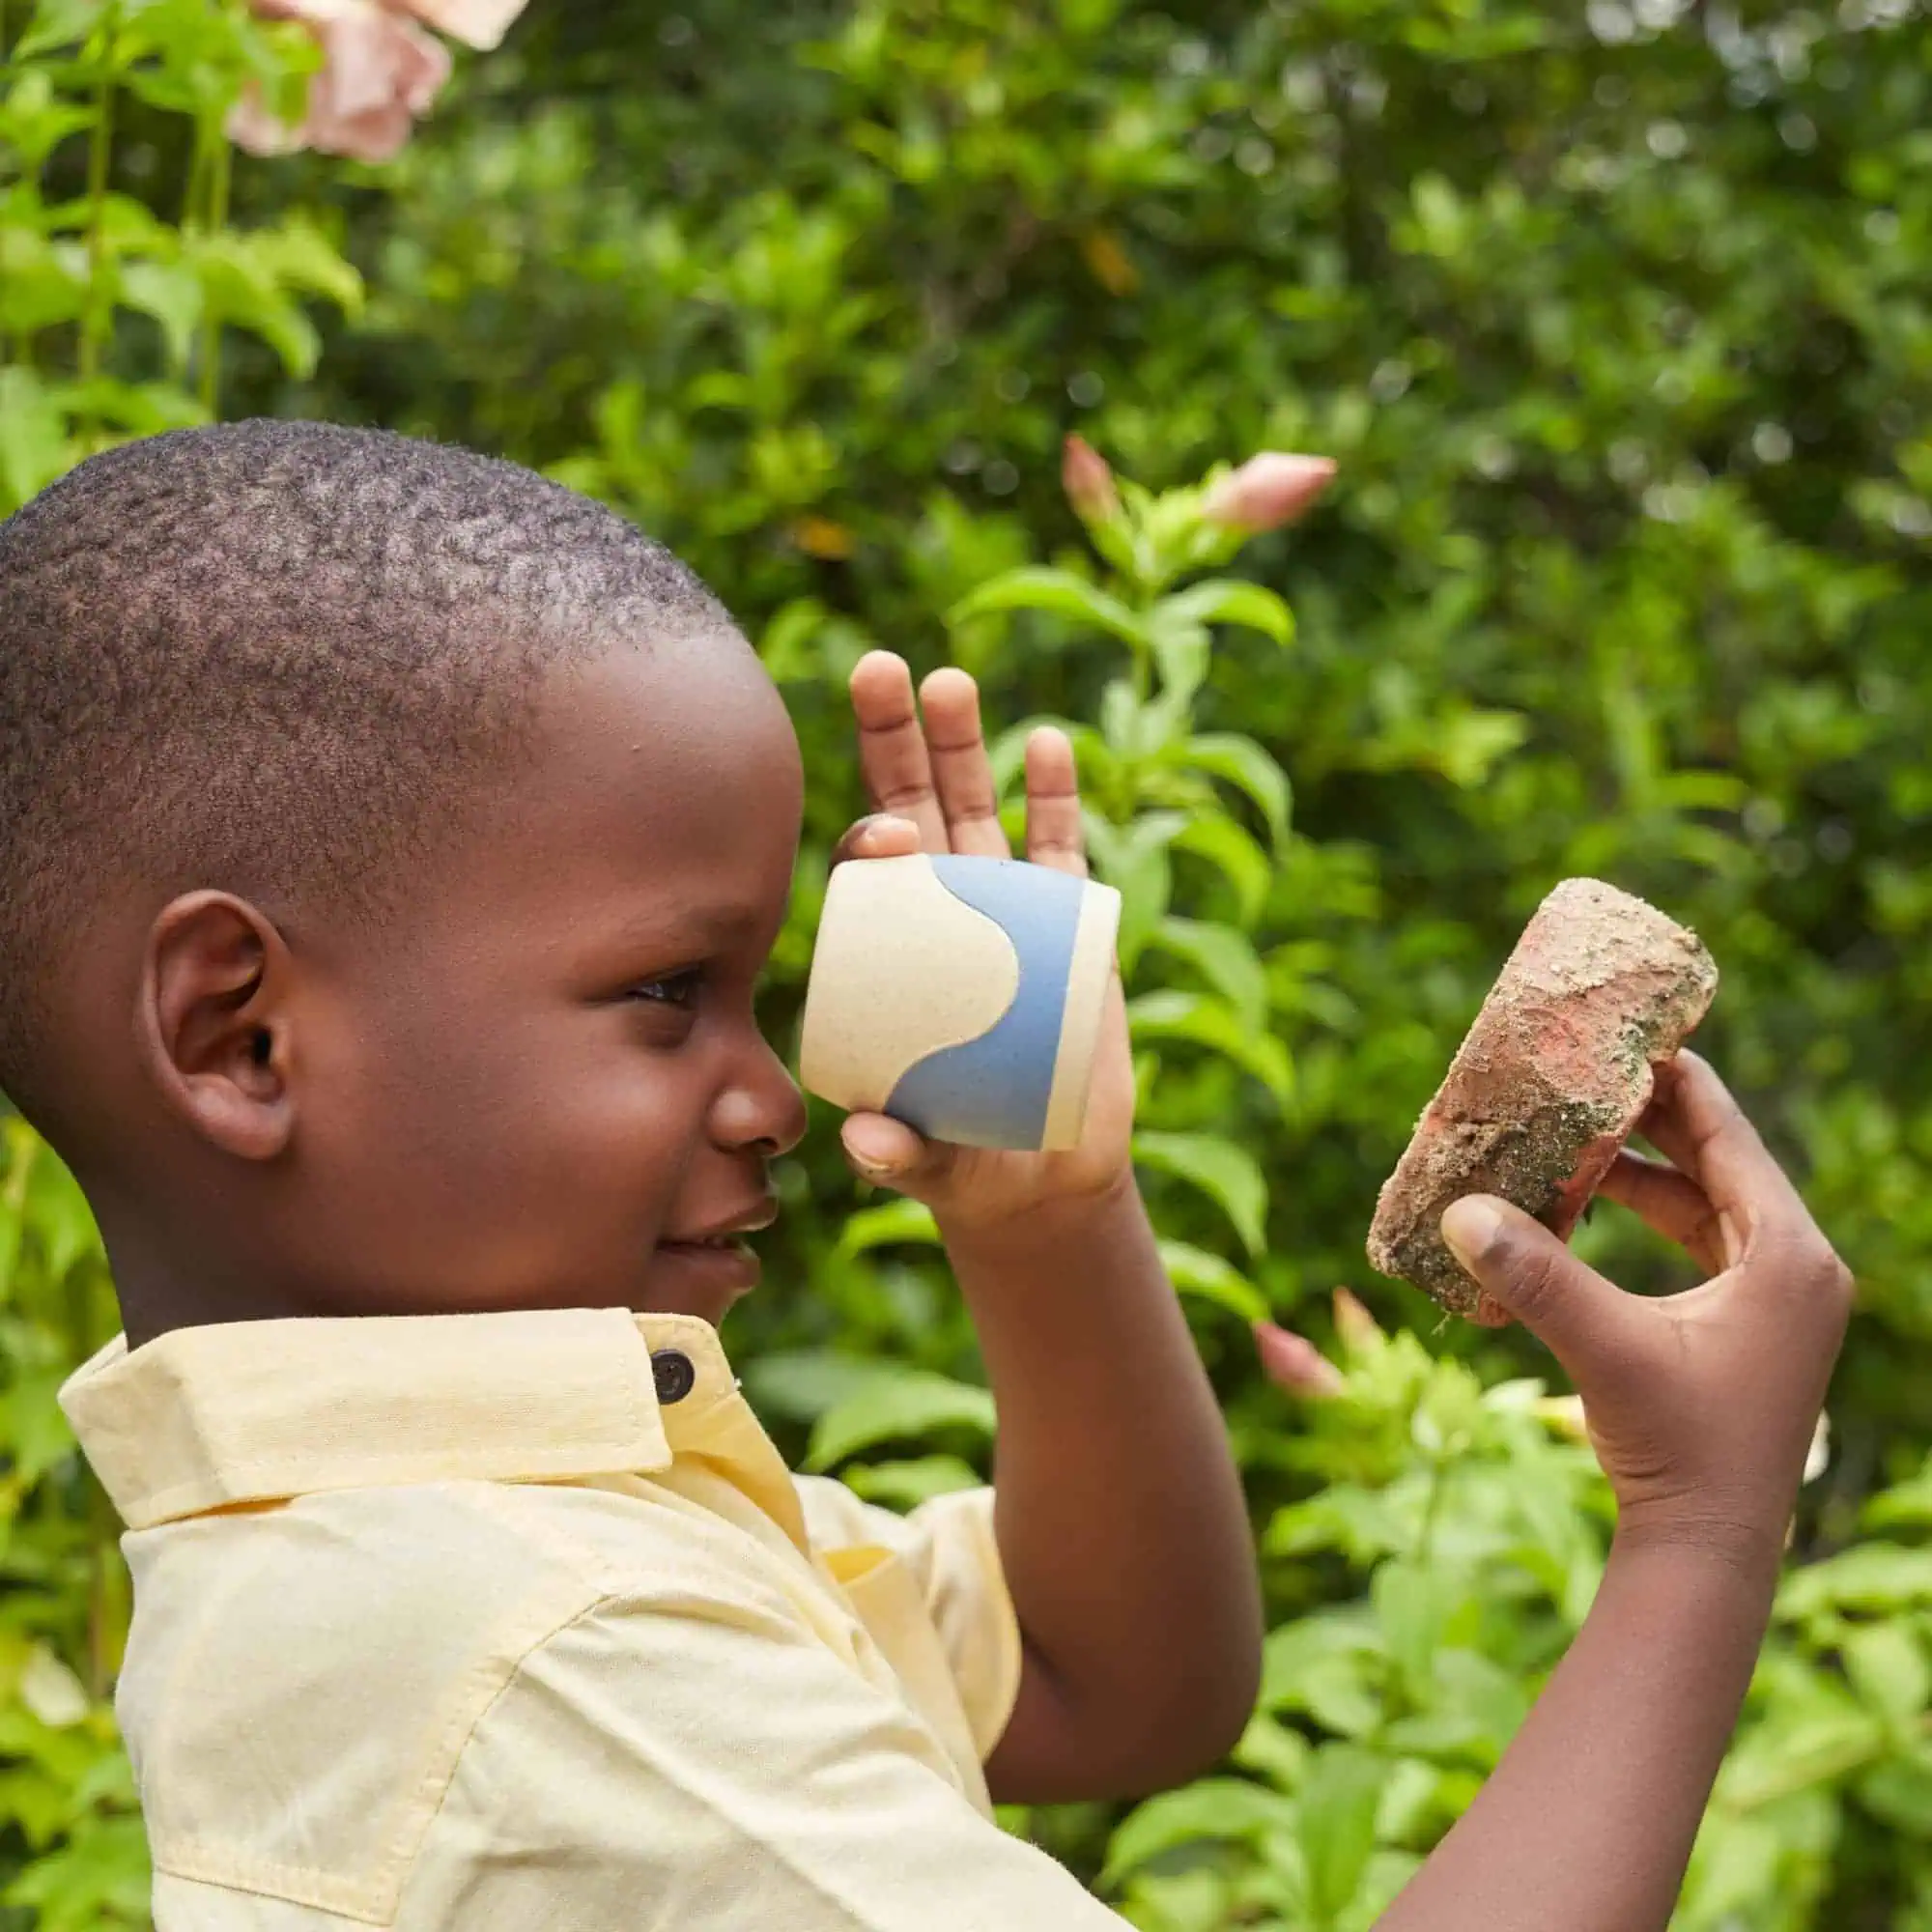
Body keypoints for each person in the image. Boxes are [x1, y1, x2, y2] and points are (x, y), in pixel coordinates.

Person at [0, 421, 1847, 1931]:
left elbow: (1117, 1687)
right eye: (669, 993)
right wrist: (1702, 1523)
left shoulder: (488, 1523)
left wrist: (1054, 1227)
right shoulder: (549, 1656)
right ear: (241, 1037)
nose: (776, 1094)